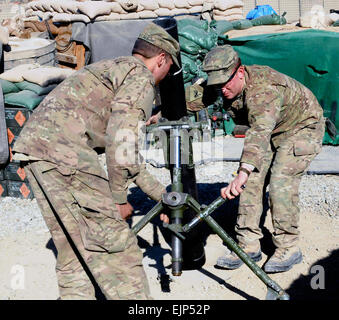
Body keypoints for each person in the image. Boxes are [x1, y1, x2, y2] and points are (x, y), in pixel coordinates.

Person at [12, 23, 180, 299]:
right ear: (161, 59)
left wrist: (161, 195)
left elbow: (128, 156)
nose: (164, 77)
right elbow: (121, 140)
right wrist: (118, 198)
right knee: (117, 249)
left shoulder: (112, 67)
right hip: (67, 154)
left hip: (37, 152)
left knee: (73, 250)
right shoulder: (141, 76)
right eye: (168, 68)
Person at [202, 45, 325, 273]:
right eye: (217, 85)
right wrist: (160, 113)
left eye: (225, 83)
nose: (222, 90)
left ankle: (288, 247)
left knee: (280, 181)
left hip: (302, 126)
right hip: (272, 128)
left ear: (239, 72)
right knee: (251, 183)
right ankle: (248, 244)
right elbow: (196, 97)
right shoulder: (224, 83)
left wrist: (243, 171)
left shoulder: (263, 90)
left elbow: (259, 132)